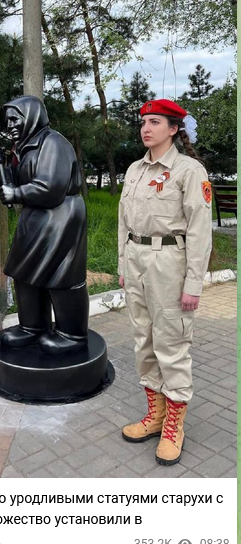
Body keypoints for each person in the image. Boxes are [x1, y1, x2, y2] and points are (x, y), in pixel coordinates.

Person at [118, 99, 212, 465]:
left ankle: (175, 426)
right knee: (144, 341)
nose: (146, 128)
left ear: (174, 129)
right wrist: (123, 264)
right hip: (137, 259)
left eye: (155, 122)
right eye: (144, 122)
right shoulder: (134, 169)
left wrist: (194, 284)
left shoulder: (189, 171)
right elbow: (124, 222)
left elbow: (200, 232)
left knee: (171, 344)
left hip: (170, 262)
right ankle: (155, 415)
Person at [0, 95, 89, 355]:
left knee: (61, 274)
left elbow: (51, 187)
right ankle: (32, 326)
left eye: (15, 119)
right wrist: (2, 169)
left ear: (32, 116)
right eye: (8, 121)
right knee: (24, 271)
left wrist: (16, 193)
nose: (10, 125)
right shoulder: (22, 147)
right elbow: (15, 184)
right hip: (34, 217)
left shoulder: (53, 142)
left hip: (61, 218)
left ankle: (72, 333)